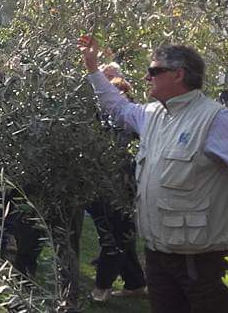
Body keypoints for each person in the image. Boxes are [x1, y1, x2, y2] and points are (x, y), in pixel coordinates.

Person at [78, 35, 228, 312]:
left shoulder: (215, 120)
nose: (147, 77)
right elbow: (118, 107)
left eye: (153, 70)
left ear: (178, 74)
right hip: (159, 258)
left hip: (207, 264)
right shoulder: (151, 115)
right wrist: (92, 68)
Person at [88, 75, 147, 302]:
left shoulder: (133, 125)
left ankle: (101, 287)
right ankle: (135, 283)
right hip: (102, 186)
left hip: (124, 189)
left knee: (115, 238)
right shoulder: (98, 121)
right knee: (121, 236)